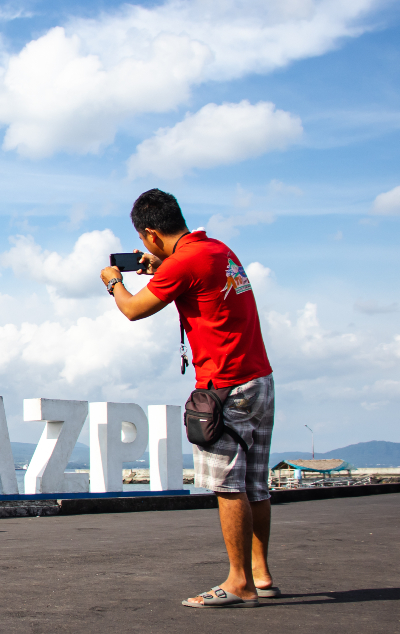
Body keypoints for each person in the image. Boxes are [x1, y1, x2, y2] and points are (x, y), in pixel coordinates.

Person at [100, 189, 277, 609]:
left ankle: (239, 583)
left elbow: (133, 310)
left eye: (145, 241)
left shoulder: (183, 263)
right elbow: (199, 283)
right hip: (259, 379)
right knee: (255, 484)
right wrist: (164, 266)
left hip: (224, 387)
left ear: (151, 233)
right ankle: (261, 573)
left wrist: (114, 283)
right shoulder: (218, 249)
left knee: (226, 485)